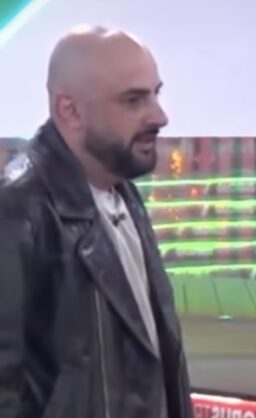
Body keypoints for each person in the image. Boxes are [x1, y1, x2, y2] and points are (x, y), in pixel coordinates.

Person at [0, 25, 193, 418]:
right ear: (70, 111)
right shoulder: (16, 213)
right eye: (133, 100)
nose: (160, 116)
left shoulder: (124, 192)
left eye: (155, 94)